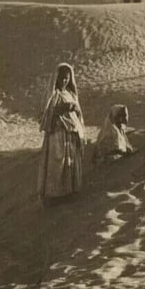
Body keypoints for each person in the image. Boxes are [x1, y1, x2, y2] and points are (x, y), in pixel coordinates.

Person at [38, 62, 86, 204]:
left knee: (70, 163)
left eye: (67, 78)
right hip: (57, 134)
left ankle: (69, 191)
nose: (64, 81)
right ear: (57, 79)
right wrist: (62, 109)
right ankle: (54, 195)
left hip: (71, 134)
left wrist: (74, 109)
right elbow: (46, 114)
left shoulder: (70, 94)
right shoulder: (54, 95)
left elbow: (78, 113)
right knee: (57, 164)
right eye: (62, 78)